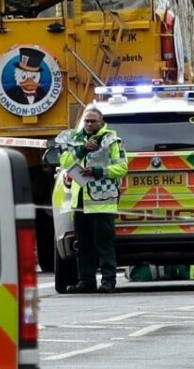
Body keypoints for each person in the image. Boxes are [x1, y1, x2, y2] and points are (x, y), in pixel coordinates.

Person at [58, 107, 128, 294]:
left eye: (93, 121)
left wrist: (98, 172)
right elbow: (65, 161)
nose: (89, 124)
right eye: (87, 121)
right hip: (80, 200)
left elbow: (121, 168)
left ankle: (108, 281)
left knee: (104, 244)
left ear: (101, 123)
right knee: (84, 245)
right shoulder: (75, 139)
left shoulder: (111, 141)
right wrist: (81, 150)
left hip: (102, 200)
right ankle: (86, 281)